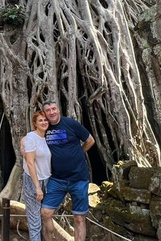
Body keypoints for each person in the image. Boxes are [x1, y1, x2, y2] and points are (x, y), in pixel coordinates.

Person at [41, 100, 94, 241]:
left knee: (79, 217)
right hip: (57, 179)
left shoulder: (71, 124)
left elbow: (90, 140)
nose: (51, 112)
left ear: (58, 110)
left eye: (53, 109)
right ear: (45, 113)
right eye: (48, 110)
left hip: (78, 178)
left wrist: (79, 153)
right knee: (46, 212)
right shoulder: (44, 129)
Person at [21, 111, 51, 241]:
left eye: (46, 120)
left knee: (47, 216)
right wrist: (37, 187)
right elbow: (30, 162)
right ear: (35, 123)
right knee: (34, 221)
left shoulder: (49, 138)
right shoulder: (31, 138)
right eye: (40, 120)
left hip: (48, 180)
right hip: (33, 181)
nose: (44, 122)